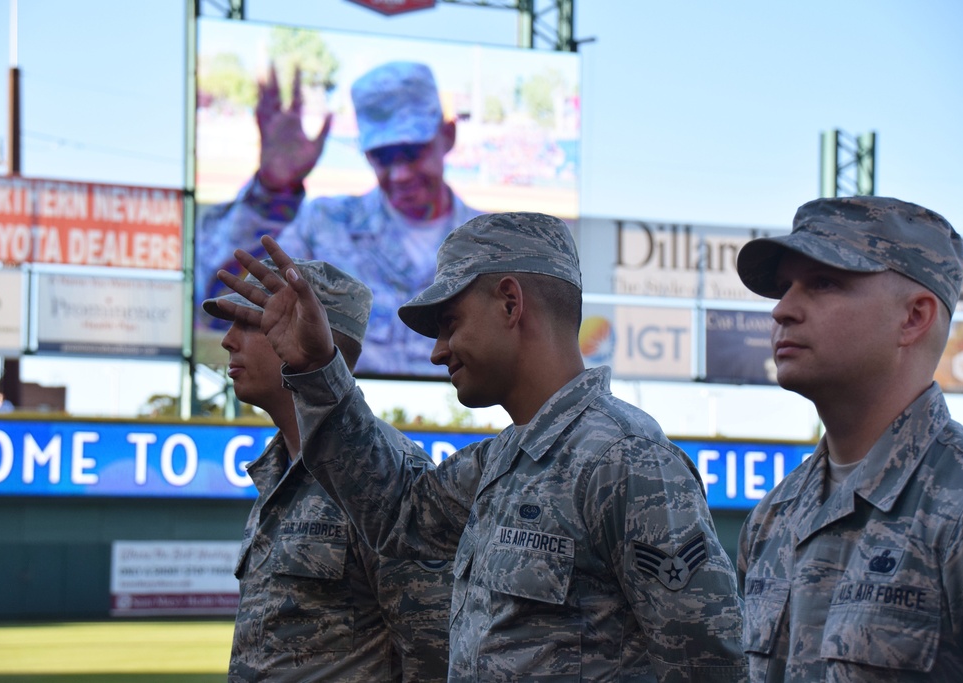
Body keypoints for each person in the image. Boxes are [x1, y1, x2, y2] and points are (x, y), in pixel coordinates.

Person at [213, 213, 747, 681]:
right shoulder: (499, 462)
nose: (437, 352)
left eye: (450, 324)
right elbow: (394, 515)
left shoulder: (625, 459)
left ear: (510, 303)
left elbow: (710, 663)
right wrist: (315, 368)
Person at [734, 195, 963, 681]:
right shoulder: (773, 519)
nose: (782, 310)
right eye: (786, 287)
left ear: (914, 317)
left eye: (824, 283)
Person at [203, 259, 453, 682]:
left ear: (311, 331)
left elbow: (438, 654)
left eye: (249, 321)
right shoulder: (277, 471)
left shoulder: (385, 474)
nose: (228, 341)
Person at [197, 60, 483, 377]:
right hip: (342, 419)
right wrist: (273, 192)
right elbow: (222, 306)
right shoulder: (324, 226)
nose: (400, 174)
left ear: (448, 135)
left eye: (413, 152)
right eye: (382, 157)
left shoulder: (490, 242)